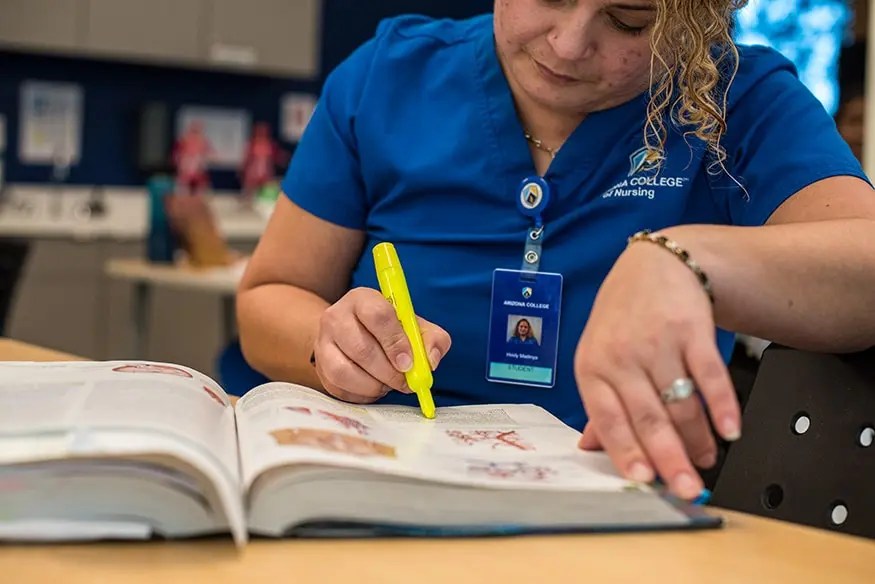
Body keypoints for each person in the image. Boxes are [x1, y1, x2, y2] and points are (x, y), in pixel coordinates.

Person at [236, 1, 875, 501]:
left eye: (629, 19)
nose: (568, 45)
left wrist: (686, 259)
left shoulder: (737, 100)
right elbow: (268, 296)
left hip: (617, 512)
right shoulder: (387, 78)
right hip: (375, 490)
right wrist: (329, 345)